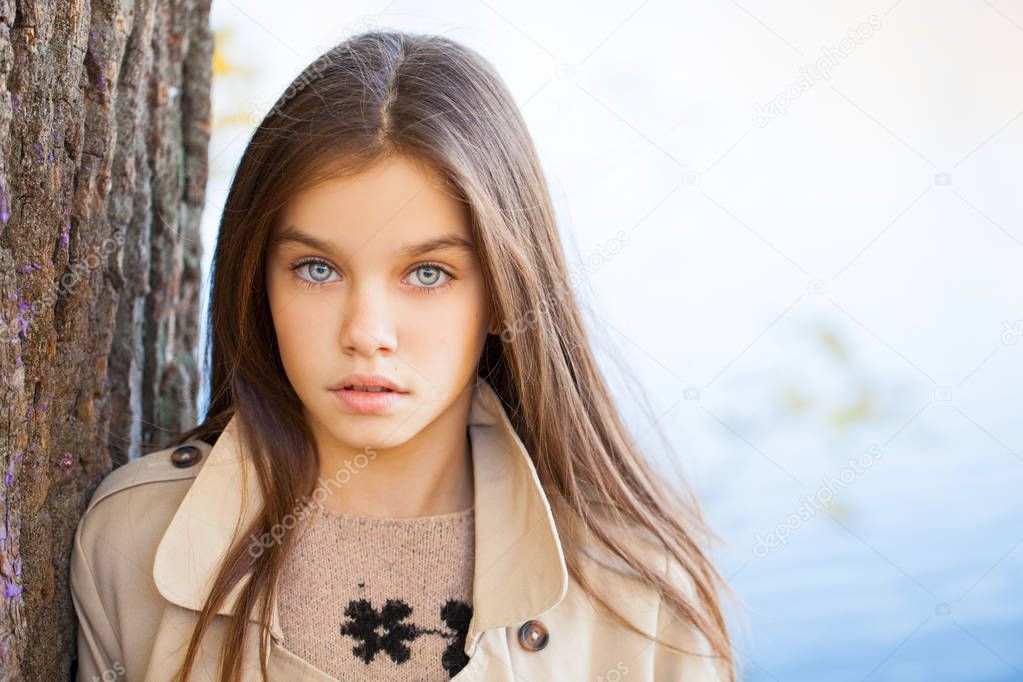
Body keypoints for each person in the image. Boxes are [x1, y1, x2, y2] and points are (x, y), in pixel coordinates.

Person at [70, 29, 738, 681]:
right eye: (316, 268)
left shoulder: (638, 592)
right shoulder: (133, 540)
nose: (366, 332)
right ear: (256, 281)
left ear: (505, 295)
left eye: (426, 274)